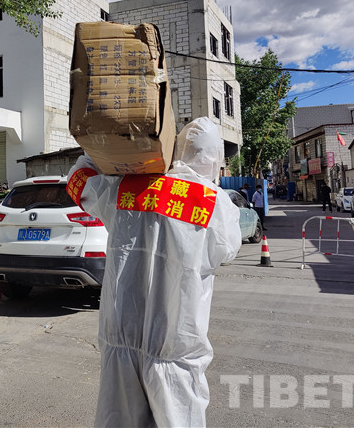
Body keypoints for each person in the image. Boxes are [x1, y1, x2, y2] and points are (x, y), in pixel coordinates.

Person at [66, 118, 242, 427]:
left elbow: (78, 181)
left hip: (120, 337)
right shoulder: (217, 205)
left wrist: (100, 145)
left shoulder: (127, 187)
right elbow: (226, 251)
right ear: (215, 159)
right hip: (176, 345)